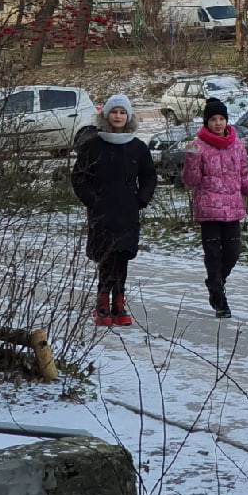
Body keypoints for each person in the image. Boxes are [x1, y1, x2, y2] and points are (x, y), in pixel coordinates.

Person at [71, 93, 158, 326]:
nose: (118, 116)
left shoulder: (137, 147)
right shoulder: (92, 145)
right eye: (114, 112)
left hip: (127, 212)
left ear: (128, 117)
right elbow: (79, 177)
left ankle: (119, 303)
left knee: (123, 257)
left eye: (122, 112)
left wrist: (141, 199)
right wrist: (93, 200)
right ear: (106, 115)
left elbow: (149, 176)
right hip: (102, 212)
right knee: (107, 257)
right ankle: (102, 305)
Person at [182, 97, 248, 318]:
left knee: (232, 253)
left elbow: (243, 178)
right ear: (206, 122)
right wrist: (191, 159)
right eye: (213, 119)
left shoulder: (237, 146)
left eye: (222, 118)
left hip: (232, 211)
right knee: (213, 255)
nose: (218, 123)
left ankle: (215, 281)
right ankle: (220, 300)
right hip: (209, 211)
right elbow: (191, 181)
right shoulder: (198, 146)